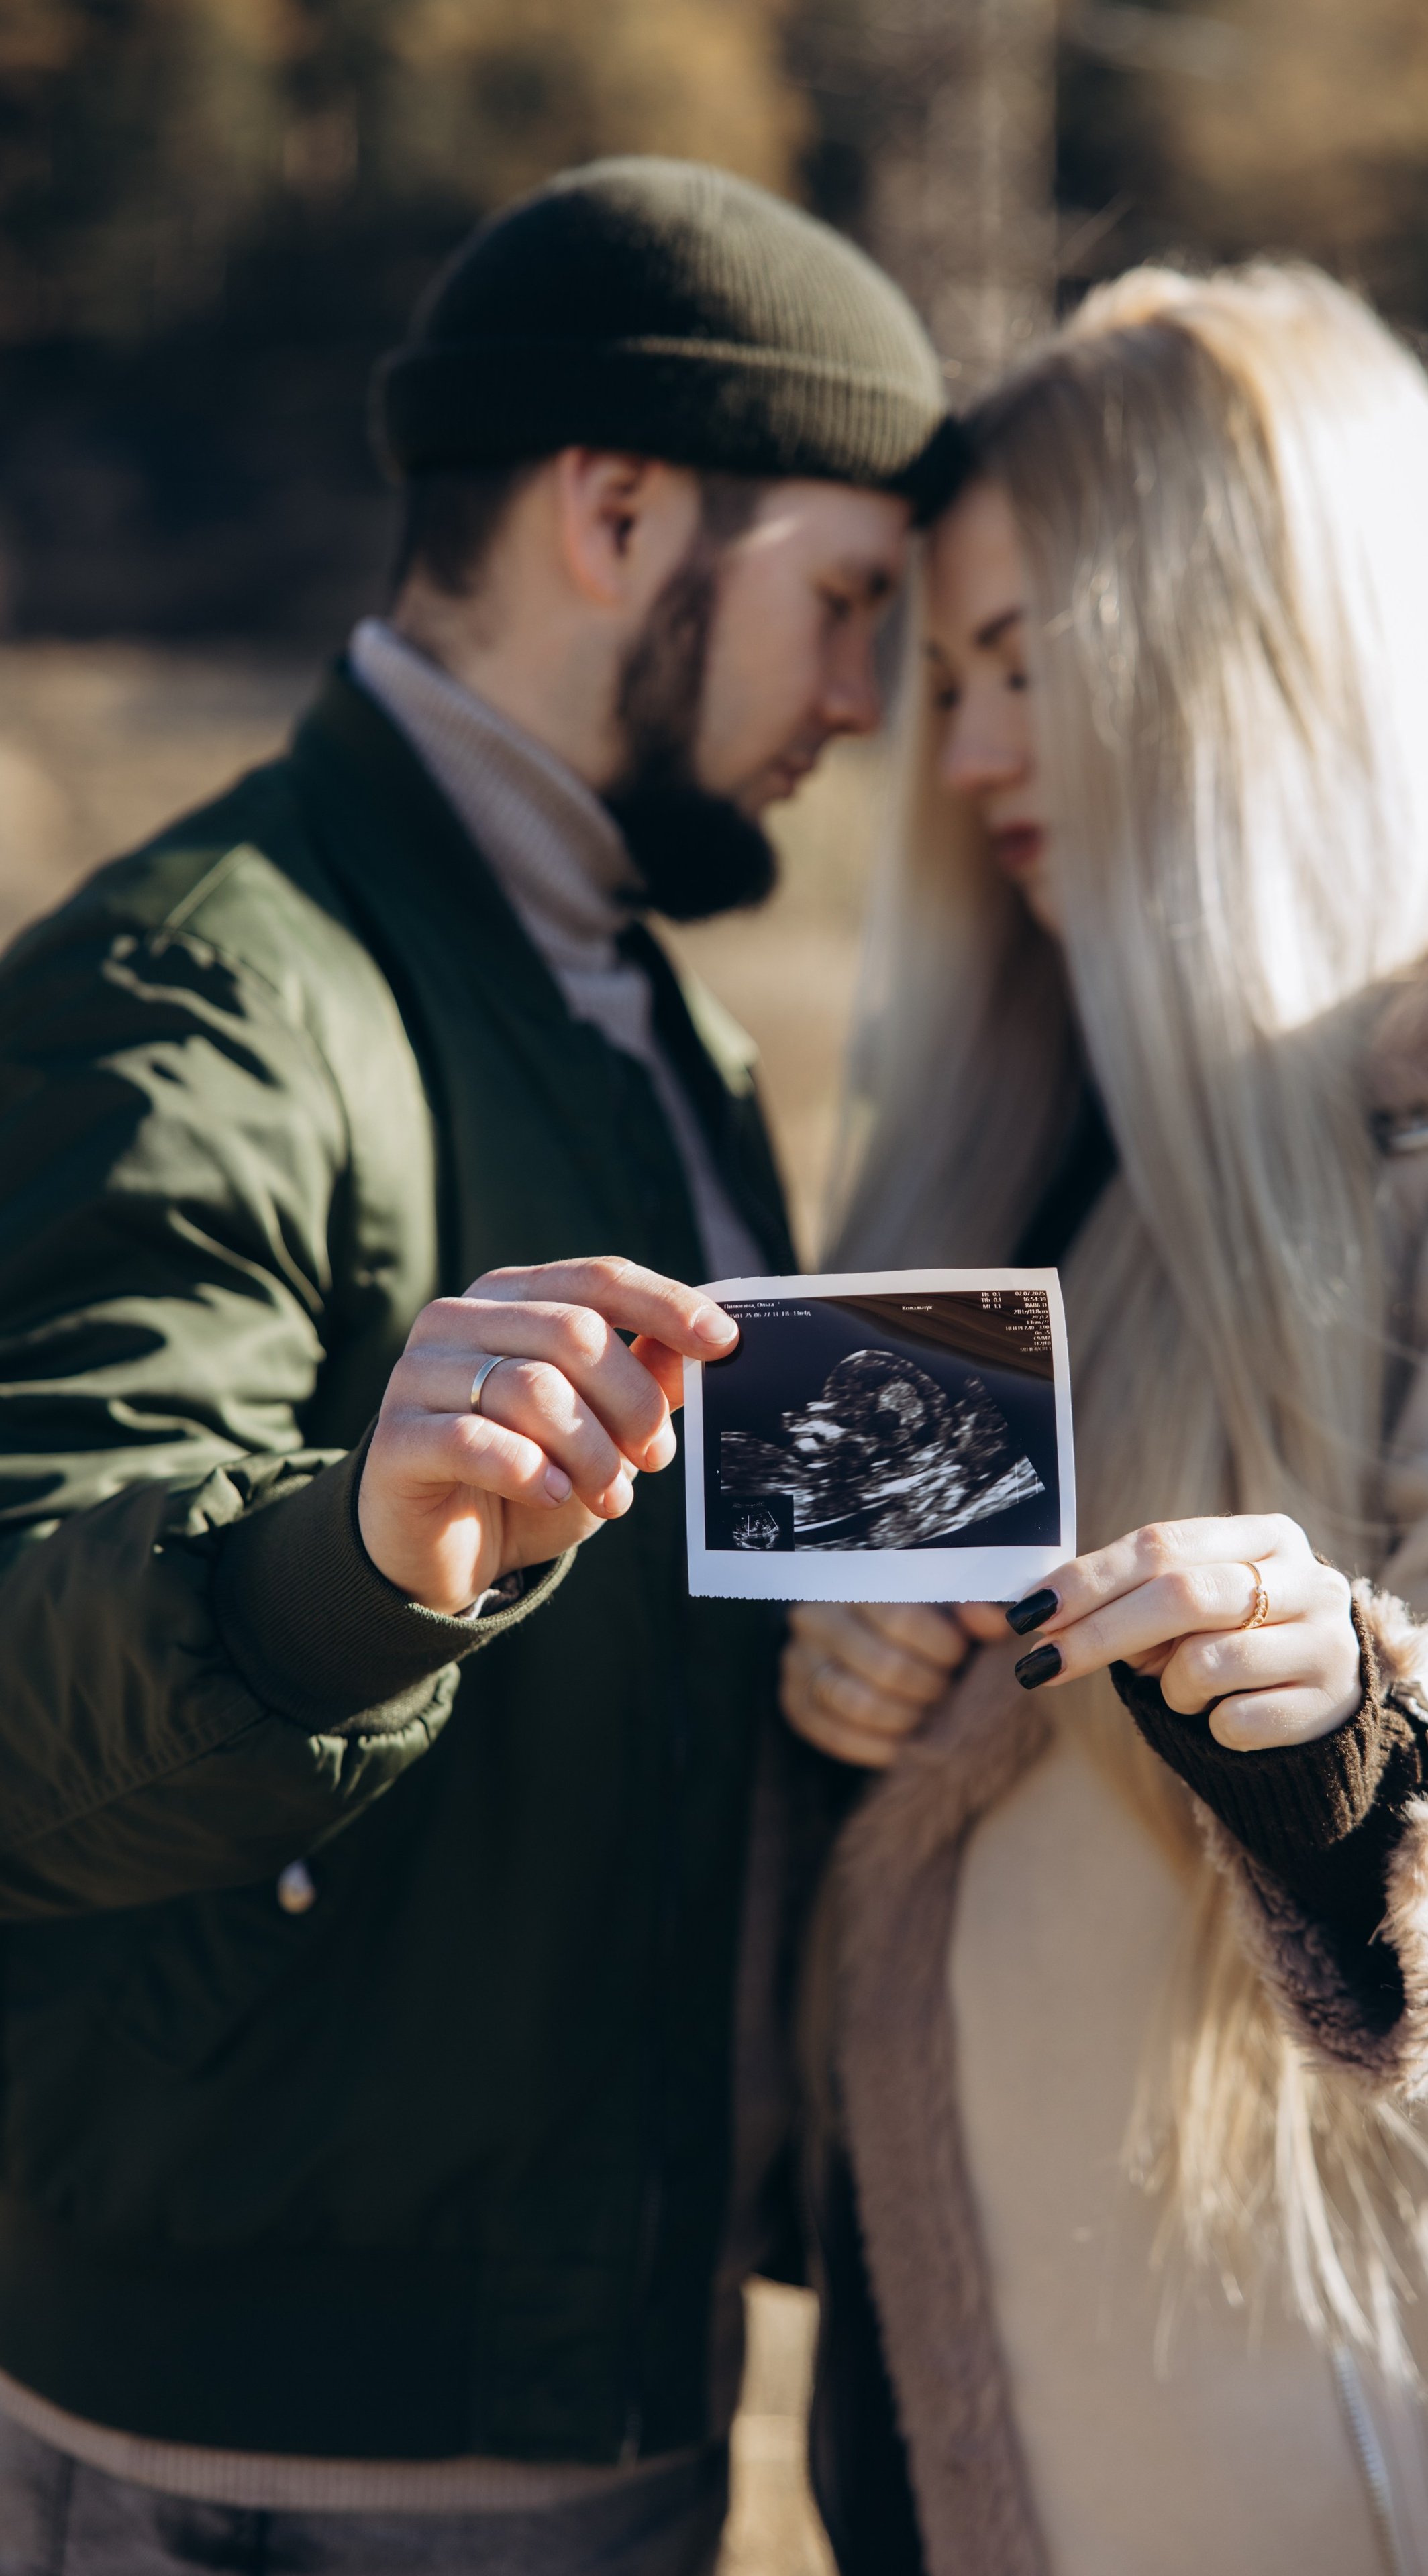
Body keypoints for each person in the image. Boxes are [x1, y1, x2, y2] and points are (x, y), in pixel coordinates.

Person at [0, 158, 952, 2573]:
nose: (863, 701)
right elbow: (27, 1646)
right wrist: (356, 1558)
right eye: (844, 603)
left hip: (603, 2383)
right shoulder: (204, 979)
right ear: (620, 511)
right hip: (259, 2462)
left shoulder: (661, 1024)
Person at [784, 260, 1428, 2575]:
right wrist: (840, 1665)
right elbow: (914, 1689)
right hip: (985, 2418)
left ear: (1254, 644)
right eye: (951, 679)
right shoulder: (989, 1118)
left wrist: (1361, 1734)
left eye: (1034, 662)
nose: (972, 755)